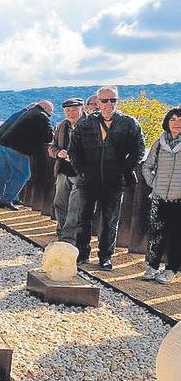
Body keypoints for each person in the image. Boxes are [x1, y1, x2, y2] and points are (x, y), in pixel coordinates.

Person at [68, 86, 145, 270]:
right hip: (88, 180)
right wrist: (82, 172)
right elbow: (74, 151)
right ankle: (82, 253)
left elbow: (139, 150)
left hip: (115, 181)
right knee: (83, 218)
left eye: (113, 100)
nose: (109, 104)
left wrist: (124, 170)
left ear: (117, 101)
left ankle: (105, 256)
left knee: (110, 221)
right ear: (97, 102)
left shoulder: (129, 123)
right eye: (104, 101)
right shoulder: (85, 124)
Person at [141, 107, 181, 284]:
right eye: (172, 119)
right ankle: (152, 266)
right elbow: (147, 166)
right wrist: (153, 183)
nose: (176, 123)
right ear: (167, 122)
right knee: (156, 233)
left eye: (180, 119)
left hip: (179, 198)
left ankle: (171, 269)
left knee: (176, 235)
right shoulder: (160, 142)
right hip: (158, 196)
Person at [0, 100, 54, 209]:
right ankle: (7, 199)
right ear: (46, 109)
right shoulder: (42, 115)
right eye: (51, 111)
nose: (51, 114)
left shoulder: (28, 112)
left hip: (4, 143)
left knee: (3, 172)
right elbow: (49, 137)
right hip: (17, 148)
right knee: (23, 174)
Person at [47, 98, 85, 241]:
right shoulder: (62, 126)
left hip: (80, 173)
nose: (71, 113)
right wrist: (58, 153)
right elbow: (51, 148)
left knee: (74, 208)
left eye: (74, 110)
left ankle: (68, 239)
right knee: (59, 203)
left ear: (82, 109)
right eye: (67, 110)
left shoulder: (89, 125)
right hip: (63, 170)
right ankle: (62, 232)